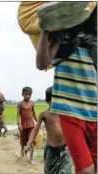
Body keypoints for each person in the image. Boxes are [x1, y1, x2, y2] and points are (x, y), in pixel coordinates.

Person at [36, 8, 97, 174]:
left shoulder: (95, 41)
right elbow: (42, 63)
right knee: (86, 169)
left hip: (95, 112)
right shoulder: (63, 36)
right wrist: (45, 29)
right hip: (70, 110)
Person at [24, 87, 73, 174]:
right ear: (47, 101)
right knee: (49, 172)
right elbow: (35, 130)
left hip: (65, 149)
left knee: (66, 171)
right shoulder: (44, 114)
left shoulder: (65, 112)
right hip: (51, 151)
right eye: (53, 101)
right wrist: (28, 144)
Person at [17, 87, 37, 164]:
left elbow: (34, 113)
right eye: (26, 94)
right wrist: (19, 124)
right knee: (23, 142)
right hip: (23, 125)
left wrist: (38, 121)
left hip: (31, 125)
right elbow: (18, 115)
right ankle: (22, 148)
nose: (28, 96)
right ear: (22, 94)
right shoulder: (20, 104)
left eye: (29, 94)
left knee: (31, 142)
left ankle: (31, 158)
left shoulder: (32, 103)